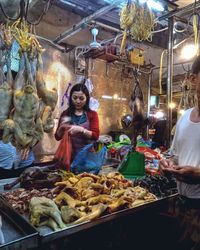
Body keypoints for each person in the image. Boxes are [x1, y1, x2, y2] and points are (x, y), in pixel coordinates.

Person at [159, 55, 200, 250]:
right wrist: (166, 163)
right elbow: (173, 155)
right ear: (193, 79)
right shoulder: (184, 118)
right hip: (181, 205)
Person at [55, 83, 100, 162]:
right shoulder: (66, 114)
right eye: (75, 98)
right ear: (71, 98)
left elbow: (95, 135)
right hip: (69, 158)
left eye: (81, 98)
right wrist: (61, 128)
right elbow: (57, 137)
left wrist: (81, 130)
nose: (78, 101)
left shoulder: (92, 114)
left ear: (87, 99)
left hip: (87, 159)